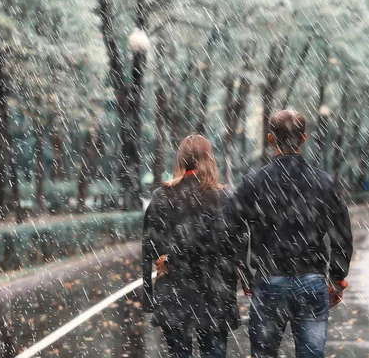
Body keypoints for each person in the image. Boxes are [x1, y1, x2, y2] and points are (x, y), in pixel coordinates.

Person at [225, 110, 353, 358]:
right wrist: (336, 278)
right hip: (312, 282)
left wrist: (243, 271)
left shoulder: (253, 182)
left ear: (271, 139)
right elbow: (342, 235)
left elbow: (230, 229)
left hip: (269, 280)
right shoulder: (324, 182)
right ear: (304, 138)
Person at [142, 134, 243, 358]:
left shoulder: (161, 196)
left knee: (179, 353)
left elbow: (149, 246)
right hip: (214, 292)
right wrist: (238, 276)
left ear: (181, 159)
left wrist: (149, 294)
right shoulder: (223, 197)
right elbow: (234, 246)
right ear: (209, 159)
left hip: (174, 290)